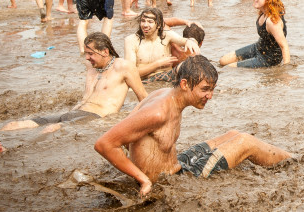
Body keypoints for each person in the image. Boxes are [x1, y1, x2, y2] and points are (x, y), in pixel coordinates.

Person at [94, 55, 291, 197]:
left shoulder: (163, 94)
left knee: (233, 134)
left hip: (176, 165)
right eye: (205, 90)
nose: (210, 96)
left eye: (212, 90)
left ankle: (287, 158)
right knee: (245, 142)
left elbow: (131, 124)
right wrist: (143, 179)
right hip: (175, 180)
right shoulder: (158, 112)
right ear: (185, 84)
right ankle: (294, 162)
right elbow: (104, 144)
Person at [0, 33, 147, 148]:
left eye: (90, 53)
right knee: (14, 124)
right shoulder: (92, 68)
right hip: (71, 113)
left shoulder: (123, 66)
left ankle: (11, 151)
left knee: (52, 129)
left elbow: (144, 98)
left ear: (105, 51)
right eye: (86, 53)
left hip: (94, 116)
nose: (86, 58)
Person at [219, 0, 290, 68]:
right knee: (223, 61)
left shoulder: (272, 22)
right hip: (257, 47)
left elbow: (284, 45)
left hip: (267, 59)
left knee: (229, 68)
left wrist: (286, 70)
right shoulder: (264, 11)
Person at [124, 7, 200, 82]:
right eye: (143, 21)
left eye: (150, 22)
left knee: (190, 65)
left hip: (168, 75)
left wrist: (191, 40)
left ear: (159, 25)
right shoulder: (131, 40)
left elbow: (186, 41)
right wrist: (158, 64)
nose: (145, 25)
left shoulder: (166, 35)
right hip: (144, 80)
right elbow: (130, 73)